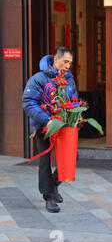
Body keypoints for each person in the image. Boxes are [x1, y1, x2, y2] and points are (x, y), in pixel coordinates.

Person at [22, 47, 78, 213]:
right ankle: (49, 198)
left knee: (72, 157)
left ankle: (52, 185)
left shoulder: (69, 79)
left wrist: (74, 118)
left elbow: (73, 100)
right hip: (44, 127)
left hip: (64, 127)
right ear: (55, 60)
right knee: (45, 161)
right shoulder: (38, 79)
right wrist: (47, 121)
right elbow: (29, 103)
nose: (68, 66)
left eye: (70, 63)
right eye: (65, 61)